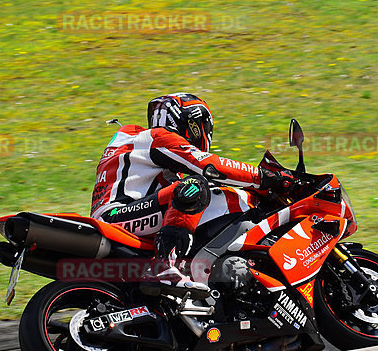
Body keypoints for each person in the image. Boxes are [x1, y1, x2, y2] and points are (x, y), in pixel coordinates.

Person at [90, 93, 296, 291]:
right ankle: (164, 267)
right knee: (194, 188)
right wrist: (266, 177)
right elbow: (211, 166)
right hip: (117, 216)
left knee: (194, 191)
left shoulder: (138, 145)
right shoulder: (157, 138)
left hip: (124, 213)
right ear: (192, 124)